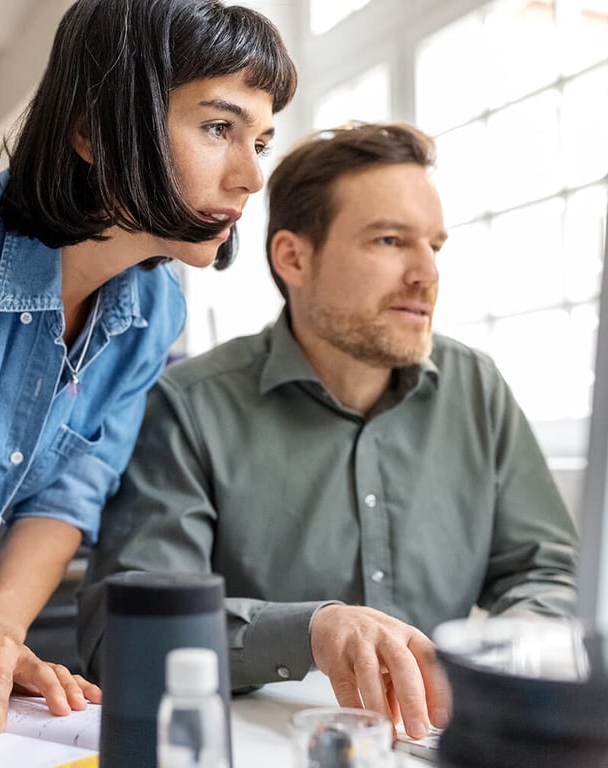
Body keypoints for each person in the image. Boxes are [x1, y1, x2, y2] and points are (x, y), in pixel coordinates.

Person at [77, 122, 578, 740]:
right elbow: (125, 637)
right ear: (294, 258)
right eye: (391, 240)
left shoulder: (477, 389)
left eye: (436, 247)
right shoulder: (185, 407)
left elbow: (546, 573)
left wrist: (510, 657)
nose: (426, 274)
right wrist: (308, 632)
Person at [0, 0, 296, 732]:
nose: (252, 178)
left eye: (260, 140)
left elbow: (67, 494)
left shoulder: (155, 309)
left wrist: (2, 635)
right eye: (218, 128)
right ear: (92, 130)